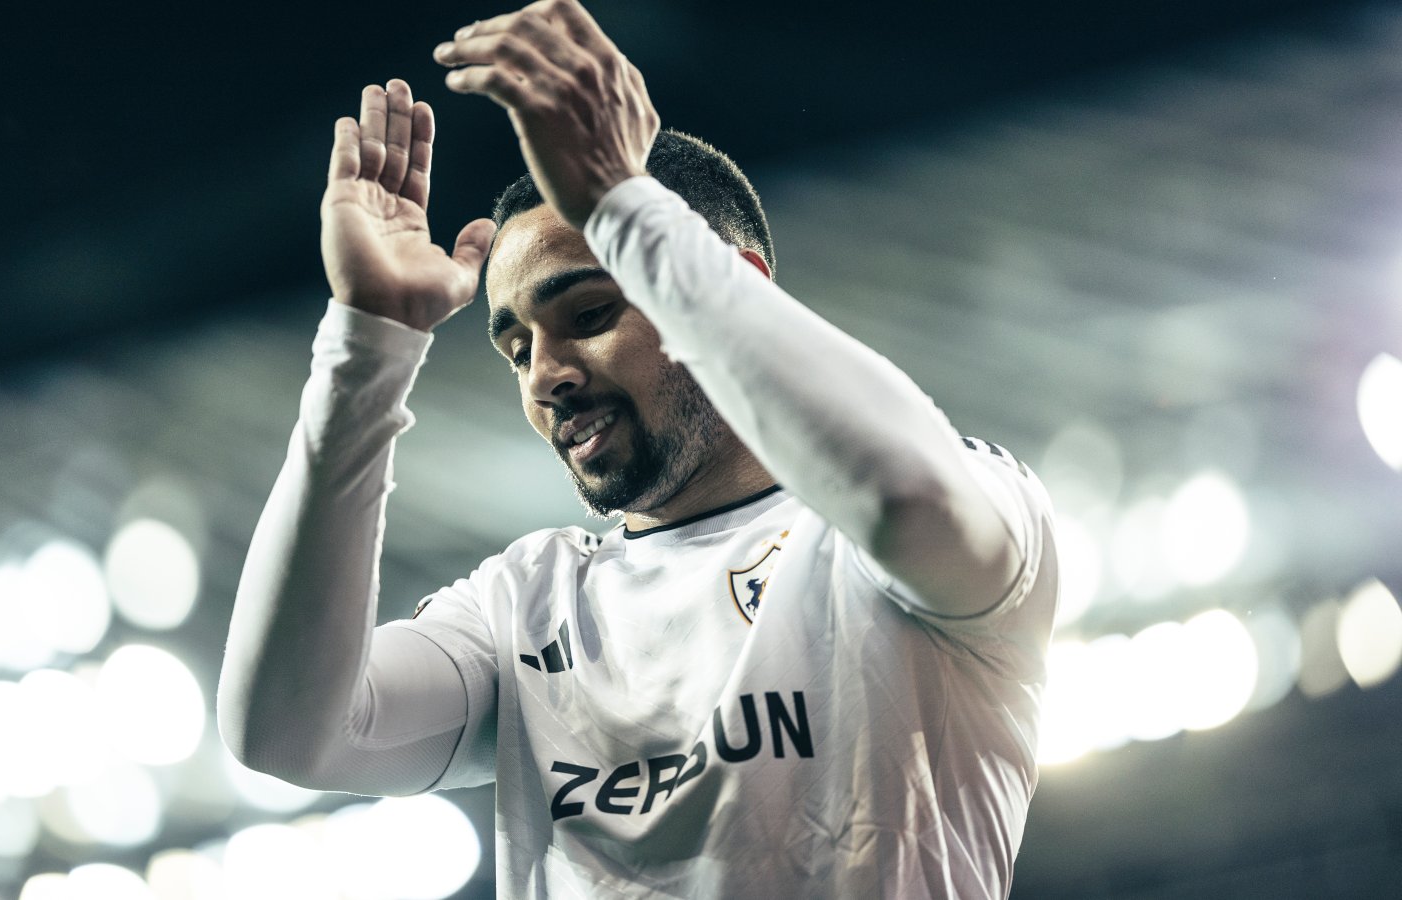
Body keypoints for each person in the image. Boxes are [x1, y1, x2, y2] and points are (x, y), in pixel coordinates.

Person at [217, 1, 1059, 897]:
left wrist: (625, 207)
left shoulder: (947, 512)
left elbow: (906, 503)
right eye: (516, 350)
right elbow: (289, 732)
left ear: (729, 285)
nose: (548, 375)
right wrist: (368, 347)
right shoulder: (526, 603)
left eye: (587, 316)